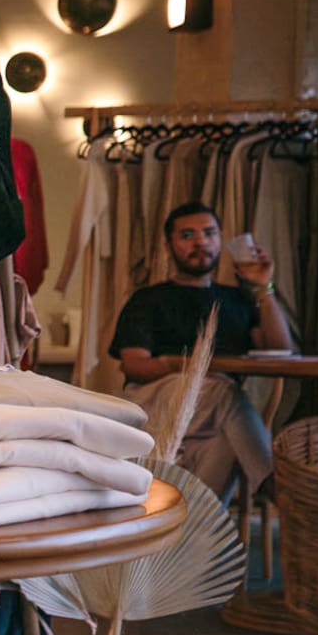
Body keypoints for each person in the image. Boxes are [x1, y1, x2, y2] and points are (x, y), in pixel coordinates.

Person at [109, 201, 294, 497]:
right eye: (187, 235)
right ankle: (277, 487)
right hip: (156, 400)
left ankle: (196, 536)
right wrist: (185, 366)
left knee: (223, 438)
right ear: (169, 245)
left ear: (220, 240)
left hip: (215, 415)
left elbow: (280, 351)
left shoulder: (236, 299)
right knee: (223, 390)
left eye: (209, 233)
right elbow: (134, 365)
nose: (200, 242)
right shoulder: (148, 299)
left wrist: (263, 286)